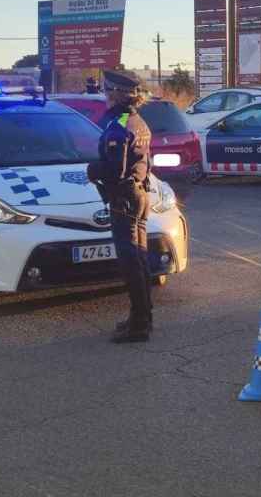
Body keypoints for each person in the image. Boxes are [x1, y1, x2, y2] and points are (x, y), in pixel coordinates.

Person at [87, 70, 154, 343]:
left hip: (124, 198)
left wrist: (93, 169)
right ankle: (142, 318)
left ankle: (139, 325)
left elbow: (115, 169)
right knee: (139, 258)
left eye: (106, 91)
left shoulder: (118, 125)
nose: (104, 96)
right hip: (138, 195)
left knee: (131, 263)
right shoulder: (137, 120)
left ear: (116, 93)